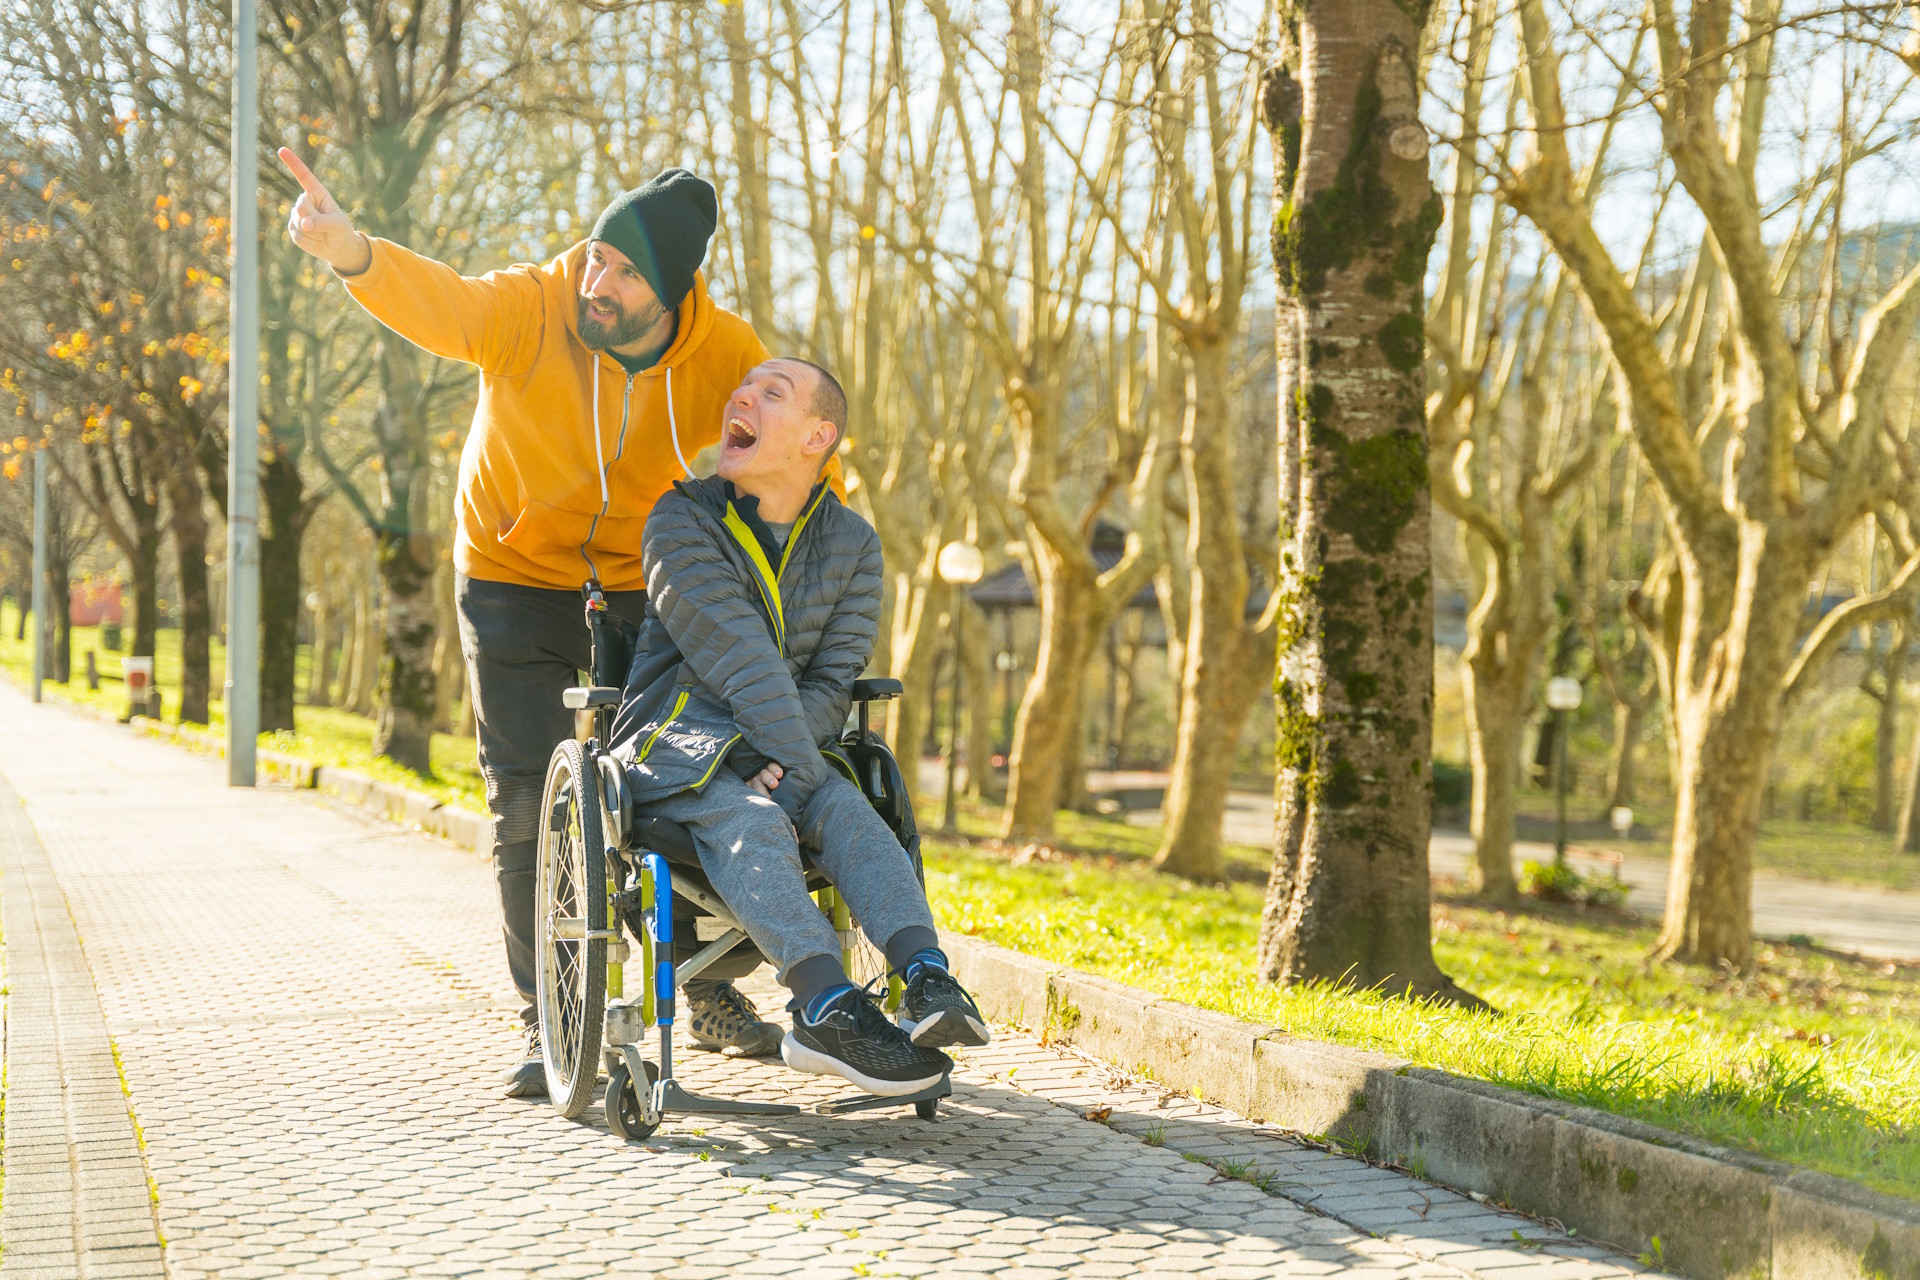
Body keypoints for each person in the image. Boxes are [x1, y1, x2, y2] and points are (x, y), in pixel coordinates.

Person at [277, 150, 811, 1093]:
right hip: (511, 571)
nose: (596, 284)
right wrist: (353, 252)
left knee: (682, 775)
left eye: (625, 273)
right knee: (526, 790)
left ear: (673, 292)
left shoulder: (725, 352)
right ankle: (549, 1012)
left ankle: (713, 987)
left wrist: (806, 553)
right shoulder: (536, 305)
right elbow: (448, 306)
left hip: (649, 585)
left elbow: (787, 455)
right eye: (596, 257)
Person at [610, 357, 990, 1096]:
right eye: (740, 386)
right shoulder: (681, 520)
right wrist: (784, 774)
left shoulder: (854, 546)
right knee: (753, 818)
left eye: (769, 392)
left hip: (794, 749)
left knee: (851, 813)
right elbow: (742, 658)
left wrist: (790, 768)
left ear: (820, 436)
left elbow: (832, 682)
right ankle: (824, 1006)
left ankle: (927, 979)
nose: (740, 396)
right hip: (680, 743)